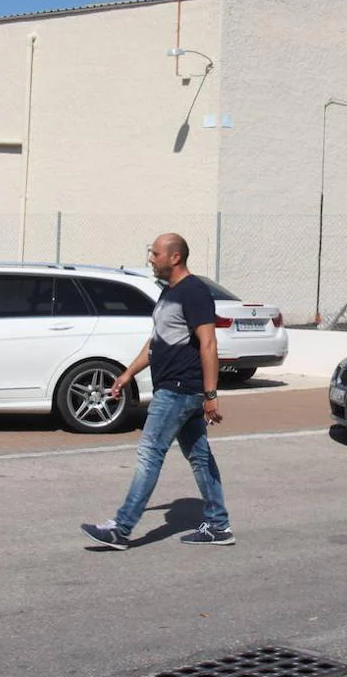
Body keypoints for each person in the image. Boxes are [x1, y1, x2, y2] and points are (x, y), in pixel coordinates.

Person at [80, 232, 233, 549]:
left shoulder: (194, 292)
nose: (151, 258)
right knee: (200, 458)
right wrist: (126, 375)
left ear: (175, 257)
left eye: (156, 253)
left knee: (150, 455)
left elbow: (208, 343)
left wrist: (211, 394)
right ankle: (219, 526)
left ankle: (121, 529)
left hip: (179, 389)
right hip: (178, 389)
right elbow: (156, 343)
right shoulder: (169, 293)